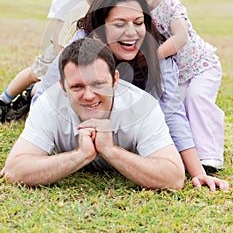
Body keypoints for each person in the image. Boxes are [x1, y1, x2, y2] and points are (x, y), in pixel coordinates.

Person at [32, 0, 229, 191]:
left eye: (138, 22)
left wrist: (198, 173)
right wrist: (31, 155)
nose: (131, 33)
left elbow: (172, 112)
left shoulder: (158, 55)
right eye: (119, 24)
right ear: (100, 27)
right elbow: (47, 92)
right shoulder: (81, 46)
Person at [3, 38, 185, 189]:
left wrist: (111, 150)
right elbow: (15, 170)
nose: (89, 96)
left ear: (115, 80)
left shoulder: (143, 106)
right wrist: (80, 155)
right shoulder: (49, 104)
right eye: (77, 86)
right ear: (63, 87)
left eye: (98, 84)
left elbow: (173, 177)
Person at [0, 0, 120, 123]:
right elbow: (60, 29)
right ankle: (5, 100)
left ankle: (32, 93)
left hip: (92, 40)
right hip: (62, 40)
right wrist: (62, 59)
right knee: (38, 71)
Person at [124, 0, 225, 172]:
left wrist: (153, 56)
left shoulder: (171, 6)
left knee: (198, 101)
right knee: (173, 109)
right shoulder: (138, 14)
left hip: (201, 67)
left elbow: (180, 37)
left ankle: (210, 156)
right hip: (176, 73)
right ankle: (182, 153)